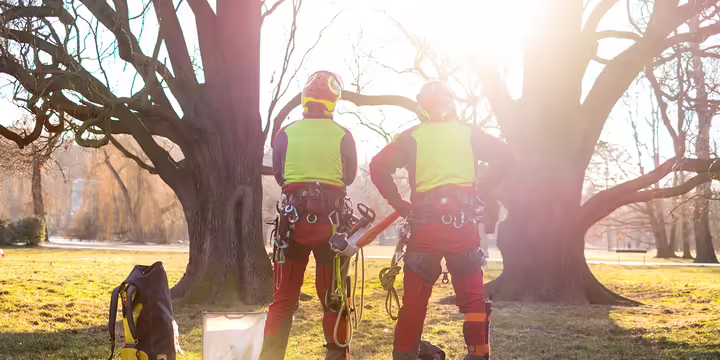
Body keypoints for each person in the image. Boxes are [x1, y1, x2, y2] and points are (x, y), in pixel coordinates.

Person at [369, 80, 514, 360]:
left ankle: (405, 355)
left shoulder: (412, 137)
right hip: (463, 227)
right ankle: (478, 353)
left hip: (425, 228)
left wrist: (401, 205)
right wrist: (482, 189)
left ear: (420, 107)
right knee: (472, 297)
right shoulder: (469, 133)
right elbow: (507, 157)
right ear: (451, 104)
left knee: (414, 300)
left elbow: (377, 167)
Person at [260, 70, 357, 360]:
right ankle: (336, 356)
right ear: (334, 101)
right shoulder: (344, 135)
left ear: (305, 100)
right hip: (331, 226)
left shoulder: (285, 133)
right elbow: (349, 177)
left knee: (283, 299)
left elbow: (280, 175)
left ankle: (270, 357)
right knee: (333, 297)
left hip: (293, 224)